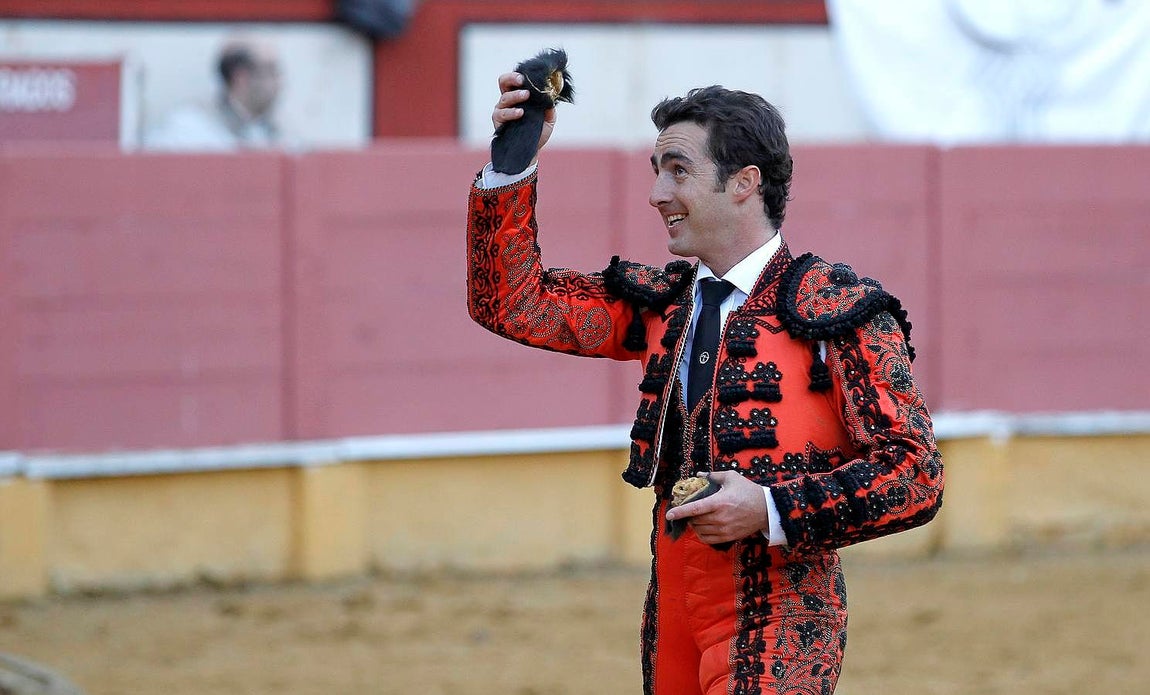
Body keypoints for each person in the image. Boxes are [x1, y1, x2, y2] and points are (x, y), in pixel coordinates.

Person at [465, 72, 944, 695]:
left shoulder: (838, 312)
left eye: (678, 170)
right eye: (656, 170)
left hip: (781, 612)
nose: (656, 193)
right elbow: (510, 301)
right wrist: (513, 161)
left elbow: (915, 476)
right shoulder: (662, 305)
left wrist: (770, 507)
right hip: (673, 605)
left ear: (744, 182)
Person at [146, 36, 286, 151]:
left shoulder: (268, 135)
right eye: (271, 71)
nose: (279, 82)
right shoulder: (188, 130)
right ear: (241, 76)